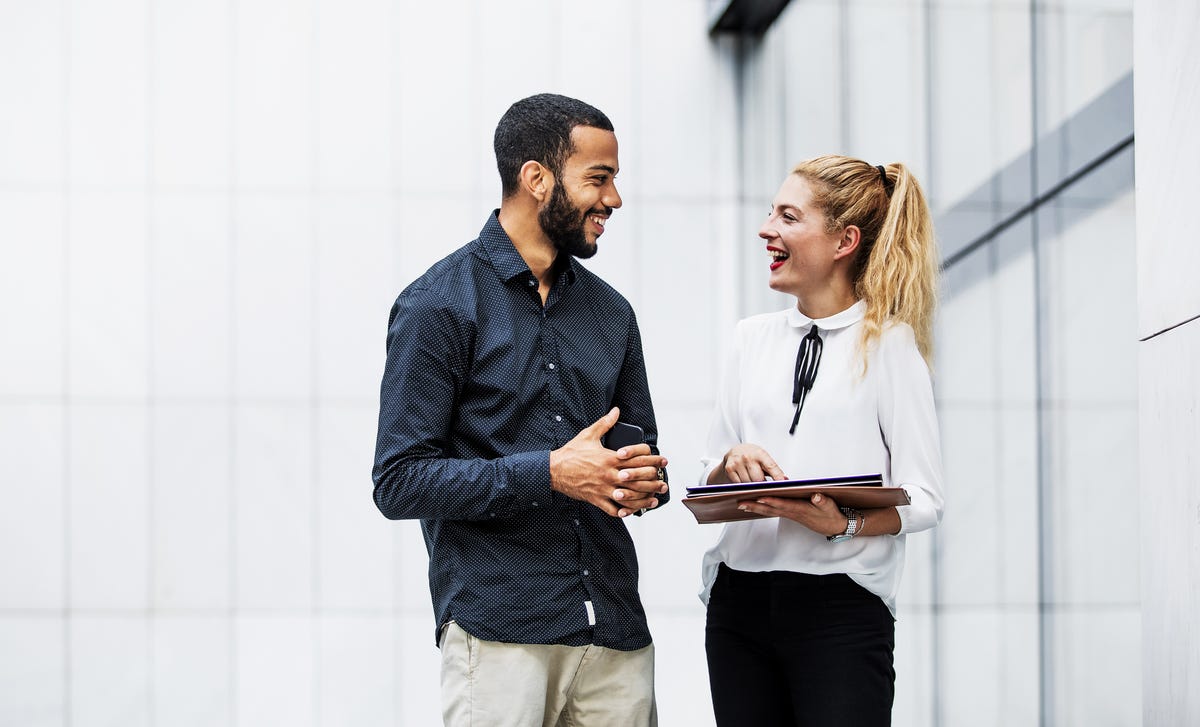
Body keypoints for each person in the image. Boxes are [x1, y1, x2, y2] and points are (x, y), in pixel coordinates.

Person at [372, 93, 670, 727]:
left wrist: (642, 480)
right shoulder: (437, 305)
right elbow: (398, 481)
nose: (613, 199)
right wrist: (552, 474)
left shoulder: (612, 314)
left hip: (614, 629)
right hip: (499, 630)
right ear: (536, 179)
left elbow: (636, 449)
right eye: (599, 178)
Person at [697, 155, 945, 726]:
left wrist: (844, 526)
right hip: (739, 603)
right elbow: (712, 469)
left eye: (788, 216)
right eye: (770, 213)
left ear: (844, 241)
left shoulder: (890, 346)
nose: (767, 229)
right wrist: (729, 463)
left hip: (841, 611)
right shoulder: (748, 339)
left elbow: (925, 499)